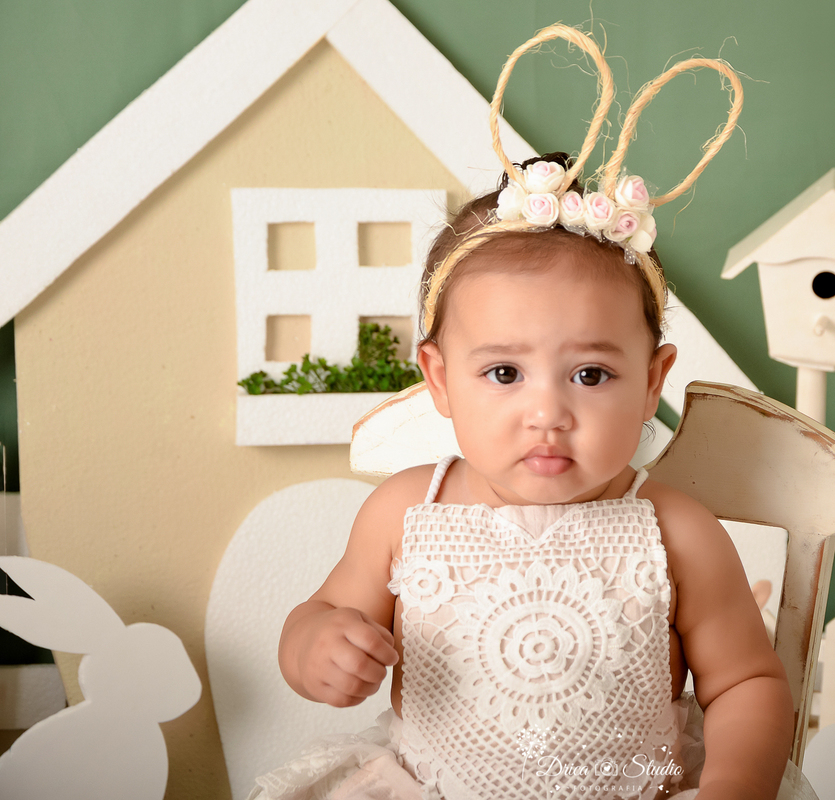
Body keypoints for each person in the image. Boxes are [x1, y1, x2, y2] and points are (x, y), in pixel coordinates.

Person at [251, 25, 805, 800]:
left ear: (653, 382)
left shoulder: (676, 530)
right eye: (504, 372)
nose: (548, 413)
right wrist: (317, 645)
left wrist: (731, 788)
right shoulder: (406, 513)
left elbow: (747, 682)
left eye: (590, 374)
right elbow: (323, 611)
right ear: (441, 380)